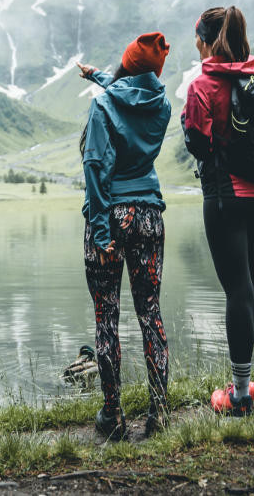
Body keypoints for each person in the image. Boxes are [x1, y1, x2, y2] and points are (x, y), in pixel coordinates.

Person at [181, 6, 254, 416]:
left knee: (237, 292)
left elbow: (197, 143)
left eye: (196, 37)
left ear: (206, 41)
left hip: (226, 198)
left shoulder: (202, 86)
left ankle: (240, 394)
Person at [76, 32, 172, 439]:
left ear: (127, 65)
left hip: (111, 217)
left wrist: (100, 231)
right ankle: (160, 414)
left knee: (107, 319)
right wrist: (96, 74)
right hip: (149, 215)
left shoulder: (102, 106)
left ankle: (113, 417)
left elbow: (96, 169)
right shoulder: (162, 104)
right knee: (150, 313)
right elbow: (128, 94)